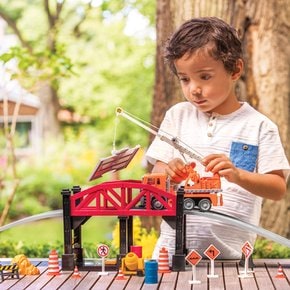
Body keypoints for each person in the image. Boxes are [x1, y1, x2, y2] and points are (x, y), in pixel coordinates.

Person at [146, 17, 290, 261]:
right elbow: (156, 179)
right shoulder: (177, 116)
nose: (194, 89)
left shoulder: (259, 126)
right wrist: (169, 173)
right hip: (169, 256)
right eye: (185, 79)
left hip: (230, 259)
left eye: (204, 76)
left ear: (235, 69)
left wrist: (238, 175)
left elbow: (277, 188)